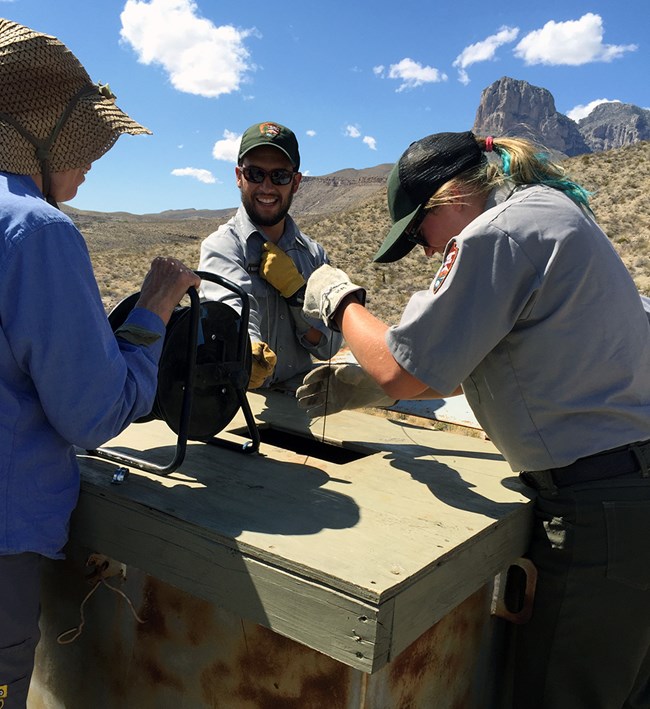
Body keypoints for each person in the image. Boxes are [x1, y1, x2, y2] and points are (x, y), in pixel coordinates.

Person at [297, 131, 650, 708]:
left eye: (417, 234)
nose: (427, 251)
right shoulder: (550, 211)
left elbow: (401, 372)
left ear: (449, 198)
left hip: (599, 508)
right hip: (630, 497)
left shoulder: (497, 233)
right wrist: (370, 386)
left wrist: (342, 302)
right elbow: (457, 368)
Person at [0, 18, 200, 707]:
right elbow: (93, 411)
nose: (93, 162)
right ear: (38, 135)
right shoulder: (37, 231)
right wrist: (154, 309)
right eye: (83, 143)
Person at [198, 121, 342, 390]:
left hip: (297, 401)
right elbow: (232, 307)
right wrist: (248, 349)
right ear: (239, 176)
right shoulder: (222, 246)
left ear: (296, 182)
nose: (266, 187)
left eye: (280, 176)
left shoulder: (314, 255)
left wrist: (298, 295)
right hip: (240, 400)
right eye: (255, 174)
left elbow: (329, 347)